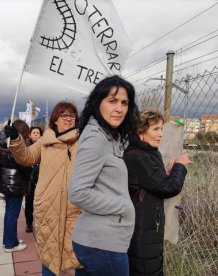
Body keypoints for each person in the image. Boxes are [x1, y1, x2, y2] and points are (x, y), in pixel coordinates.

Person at [68, 75, 138, 275]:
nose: (119, 108)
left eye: (125, 103)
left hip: (97, 242)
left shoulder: (109, 135)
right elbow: (78, 192)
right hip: (103, 245)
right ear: (98, 102)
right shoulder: (96, 138)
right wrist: (123, 206)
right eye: (112, 101)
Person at [5, 101, 83, 275]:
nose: (69, 119)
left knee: (79, 257)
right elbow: (26, 157)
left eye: (72, 116)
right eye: (64, 115)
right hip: (48, 208)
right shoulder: (45, 141)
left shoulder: (83, 141)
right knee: (48, 255)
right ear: (55, 119)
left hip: (76, 209)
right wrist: (16, 140)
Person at [123, 110, 192, 276]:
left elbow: (153, 183)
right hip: (142, 233)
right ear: (140, 132)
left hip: (147, 228)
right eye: (155, 129)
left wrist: (167, 172)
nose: (161, 134)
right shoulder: (138, 157)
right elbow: (168, 188)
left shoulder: (147, 153)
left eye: (162, 129)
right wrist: (180, 166)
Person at [0, 120, 32, 253]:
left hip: (7, 182)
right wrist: (30, 173)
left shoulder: (4, 144)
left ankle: (10, 239)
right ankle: (11, 244)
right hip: (15, 183)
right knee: (12, 213)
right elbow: (24, 165)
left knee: (9, 212)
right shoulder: (17, 146)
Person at [24, 126, 42, 233]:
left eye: (38, 133)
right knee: (29, 203)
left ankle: (40, 224)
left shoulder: (44, 146)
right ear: (30, 135)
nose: (36, 134)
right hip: (30, 180)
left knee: (41, 204)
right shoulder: (26, 146)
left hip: (41, 180)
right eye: (34, 132)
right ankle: (29, 223)